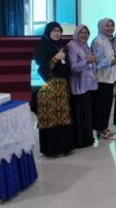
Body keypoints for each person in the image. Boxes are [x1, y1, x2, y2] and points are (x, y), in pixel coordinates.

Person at [33, 22, 75, 157]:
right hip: (49, 90)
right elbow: (41, 69)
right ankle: (53, 150)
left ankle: (65, 147)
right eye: (54, 31)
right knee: (52, 118)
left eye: (59, 31)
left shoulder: (59, 45)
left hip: (61, 88)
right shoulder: (42, 46)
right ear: (48, 32)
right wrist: (56, 58)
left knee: (63, 118)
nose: (57, 33)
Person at [67, 24, 97, 148]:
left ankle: (87, 139)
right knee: (79, 115)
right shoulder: (72, 46)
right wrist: (87, 61)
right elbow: (73, 67)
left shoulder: (85, 46)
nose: (84, 35)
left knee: (87, 114)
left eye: (86, 33)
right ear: (76, 33)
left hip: (87, 84)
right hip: (78, 86)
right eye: (81, 32)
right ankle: (79, 141)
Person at [91, 18, 116, 139]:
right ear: (102, 27)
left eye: (112, 26)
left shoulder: (110, 40)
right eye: (107, 26)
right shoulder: (99, 40)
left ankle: (102, 128)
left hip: (109, 77)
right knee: (102, 105)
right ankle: (102, 129)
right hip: (102, 78)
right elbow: (98, 61)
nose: (110, 28)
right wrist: (112, 61)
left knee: (107, 104)